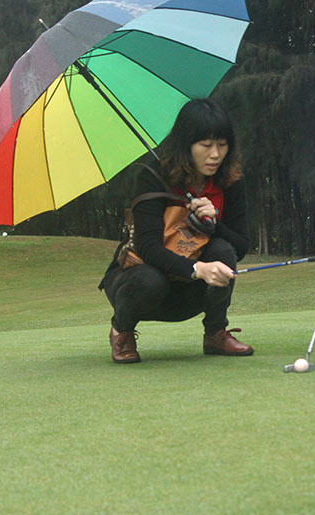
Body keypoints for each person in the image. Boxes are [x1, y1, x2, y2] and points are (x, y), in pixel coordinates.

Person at [99, 99, 253, 364]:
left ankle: (215, 333)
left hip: (189, 295)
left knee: (223, 250)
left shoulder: (230, 181)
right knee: (150, 280)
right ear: (186, 144)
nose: (215, 154)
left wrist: (214, 223)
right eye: (206, 145)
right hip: (140, 284)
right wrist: (197, 269)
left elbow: (239, 248)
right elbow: (149, 248)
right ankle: (121, 331)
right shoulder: (152, 177)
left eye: (222, 144)